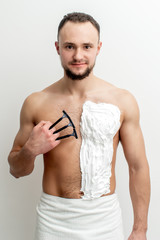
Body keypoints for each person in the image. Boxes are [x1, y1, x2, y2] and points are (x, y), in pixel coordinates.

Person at [8, 12, 150, 240]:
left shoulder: (122, 101)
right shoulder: (36, 102)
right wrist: (30, 150)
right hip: (53, 220)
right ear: (57, 47)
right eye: (69, 46)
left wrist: (140, 229)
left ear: (98, 48)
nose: (78, 55)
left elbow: (138, 168)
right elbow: (15, 170)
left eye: (86, 46)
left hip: (105, 219)